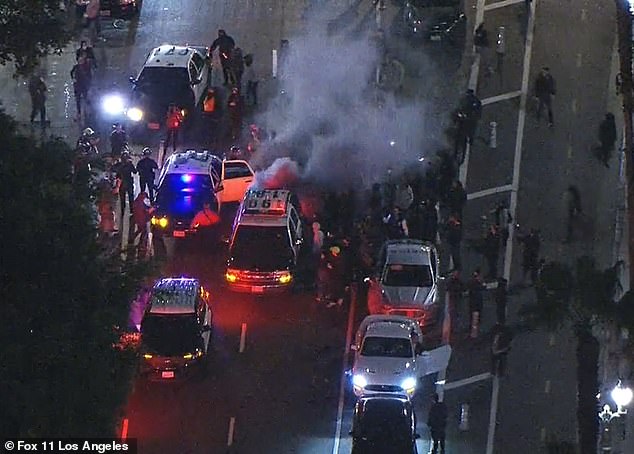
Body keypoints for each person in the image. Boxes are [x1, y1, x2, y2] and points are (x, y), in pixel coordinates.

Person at [114, 152, 137, 219]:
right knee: (130, 198)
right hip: (128, 183)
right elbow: (135, 171)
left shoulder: (119, 165)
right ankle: (131, 211)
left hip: (122, 183)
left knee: (122, 198)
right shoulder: (129, 164)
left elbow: (114, 171)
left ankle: (123, 211)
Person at [468, 270, 485, 338]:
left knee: (474, 319)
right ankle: (474, 334)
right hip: (476, 305)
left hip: (473, 304)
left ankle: (473, 333)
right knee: (475, 320)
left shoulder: (471, 283)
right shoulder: (477, 284)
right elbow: (484, 287)